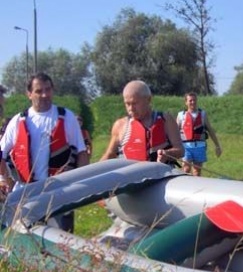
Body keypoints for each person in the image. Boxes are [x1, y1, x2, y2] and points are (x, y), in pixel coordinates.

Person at [0, 72, 89, 228]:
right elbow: (2, 154)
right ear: (29, 94)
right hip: (26, 195)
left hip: (60, 192)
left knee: (62, 242)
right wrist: (6, 181)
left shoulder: (67, 117)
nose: (44, 95)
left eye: (48, 89)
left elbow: (82, 153)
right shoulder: (18, 121)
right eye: (39, 91)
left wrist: (78, 187)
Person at [100, 80, 183, 164]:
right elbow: (109, 154)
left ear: (148, 100)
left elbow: (180, 150)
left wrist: (167, 153)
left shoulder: (166, 120)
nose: (131, 108)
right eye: (127, 104)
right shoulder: (120, 125)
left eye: (134, 103)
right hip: (133, 175)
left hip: (162, 173)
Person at [176, 92, 222, 176]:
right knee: (186, 169)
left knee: (197, 172)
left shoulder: (203, 114)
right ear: (186, 102)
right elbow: (175, 133)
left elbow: (210, 131)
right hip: (186, 147)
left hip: (200, 147)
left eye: (194, 100)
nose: (193, 102)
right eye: (190, 100)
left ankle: (195, 188)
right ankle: (186, 187)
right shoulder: (181, 115)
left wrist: (217, 146)